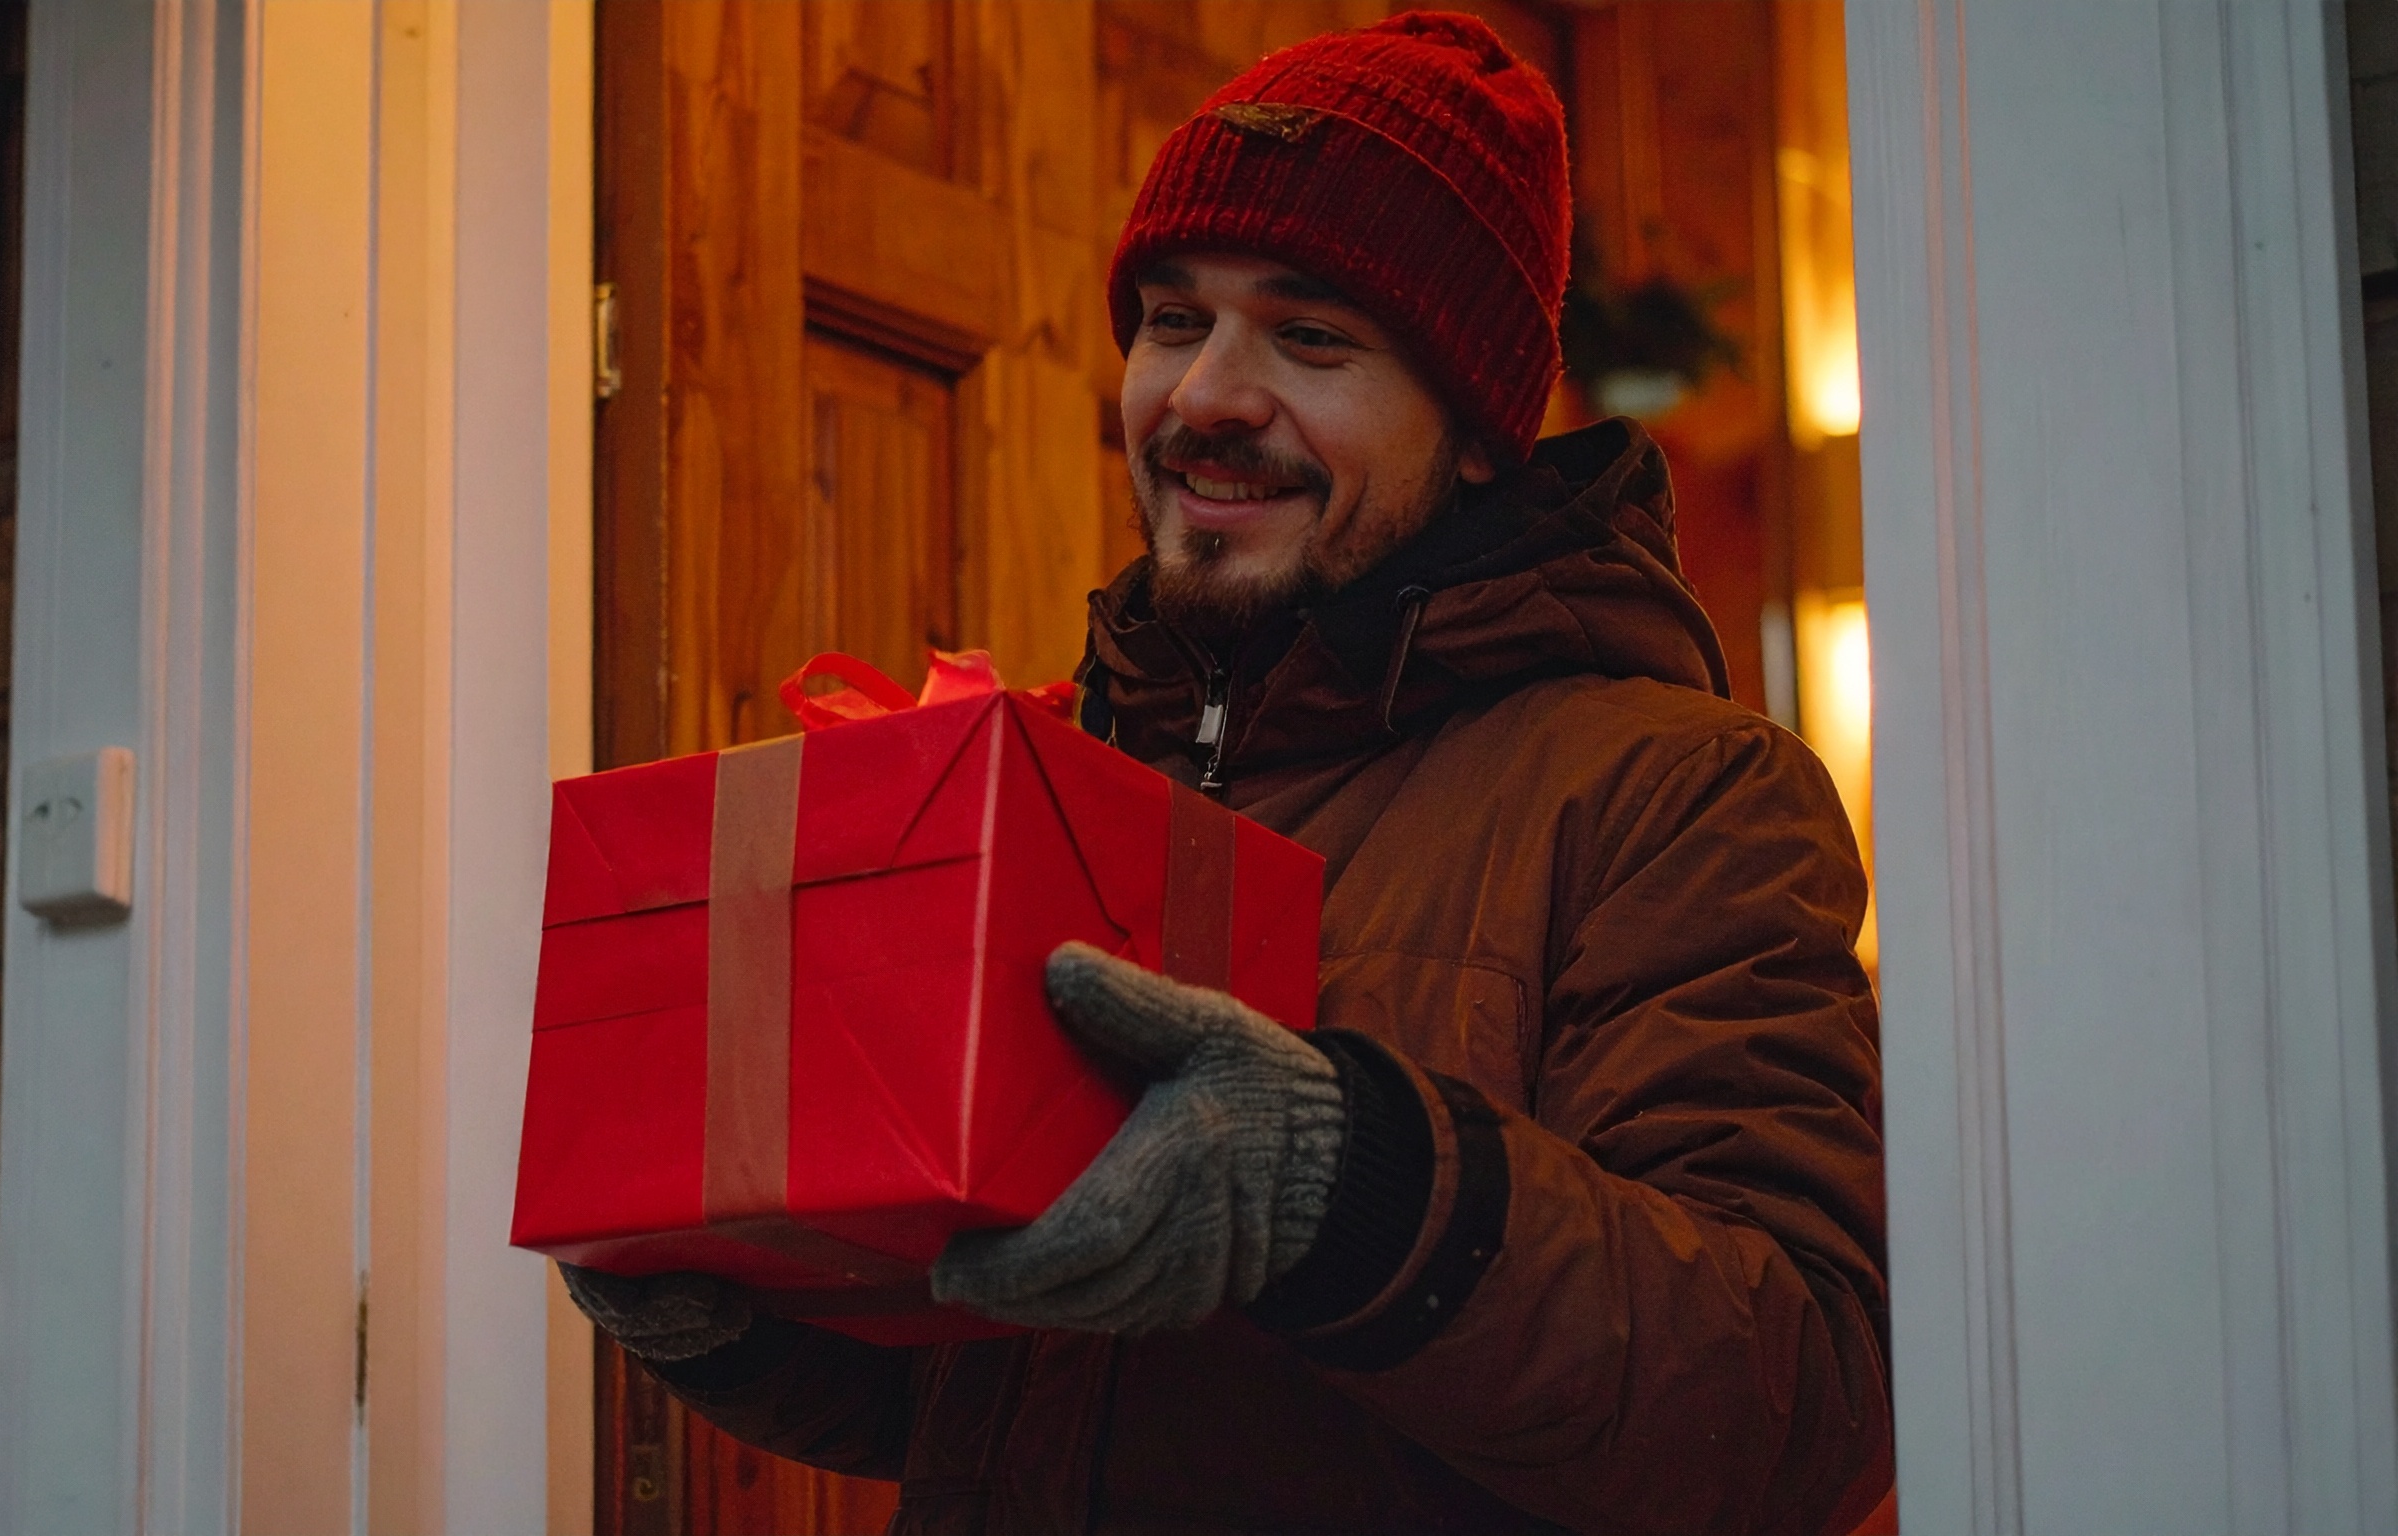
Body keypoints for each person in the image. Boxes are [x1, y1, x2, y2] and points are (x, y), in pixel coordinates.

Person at [563, 14, 1891, 1535]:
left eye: (1310, 336)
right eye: (1173, 319)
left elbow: (1795, 1407)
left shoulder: (1681, 796)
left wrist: (1346, 1187)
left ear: (1474, 427)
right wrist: (732, 1309)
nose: (1204, 395)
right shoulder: (1062, 771)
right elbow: (994, 1370)